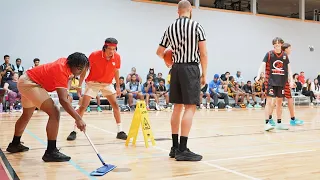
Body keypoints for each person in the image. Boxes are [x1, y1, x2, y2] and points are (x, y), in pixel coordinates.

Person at [6, 52, 89, 162]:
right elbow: (63, 101)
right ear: (75, 66)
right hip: (30, 83)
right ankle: (51, 151)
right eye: (80, 69)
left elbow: (68, 79)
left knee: (26, 115)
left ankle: (14, 144)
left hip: (27, 80)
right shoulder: (61, 70)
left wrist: (67, 92)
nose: (82, 71)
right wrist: (78, 118)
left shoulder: (67, 63)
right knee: (55, 112)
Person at [156, 0, 207, 161]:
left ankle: (174, 147)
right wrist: (204, 73)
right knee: (190, 107)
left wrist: (167, 61)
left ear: (177, 11)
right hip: (191, 68)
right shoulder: (197, 26)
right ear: (190, 10)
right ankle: (183, 149)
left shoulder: (170, 28)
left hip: (176, 69)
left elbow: (159, 52)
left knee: (177, 107)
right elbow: (203, 53)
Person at [66, 38, 127, 141]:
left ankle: (120, 131)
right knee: (83, 106)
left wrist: (117, 86)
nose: (112, 51)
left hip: (107, 83)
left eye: (114, 49)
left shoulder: (117, 57)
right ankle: (74, 131)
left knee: (115, 105)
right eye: (110, 49)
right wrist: (80, 85)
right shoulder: (94, 55)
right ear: (105, 47)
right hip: (93, 83)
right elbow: (85, 70)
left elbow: (116, 71)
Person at [256, 37, 294, 131]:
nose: (277, 46)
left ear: (281, 44)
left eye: (278, 44)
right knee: (269, 101)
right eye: (275, 44)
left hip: (281, 82)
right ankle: (267, 122)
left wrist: (291, 79)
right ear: (273, 45)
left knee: (279, 102)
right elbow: (262, 65)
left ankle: (279, 123)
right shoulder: (269, 54)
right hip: (270, 81)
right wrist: (258, 75)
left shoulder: (285, 55)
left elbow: (289, 68)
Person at [267, 43, 304, 126]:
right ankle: (291, 119)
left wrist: (291, 80)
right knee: (280, 100)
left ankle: (271, 118)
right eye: (290, 48)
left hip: (283, 81)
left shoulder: (285, 57)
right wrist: (290, 81)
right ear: (285, 49)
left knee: (278, 99)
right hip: (281, 81)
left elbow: (288, 70)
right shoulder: (281, 57)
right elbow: (285, 70)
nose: (291, 50)